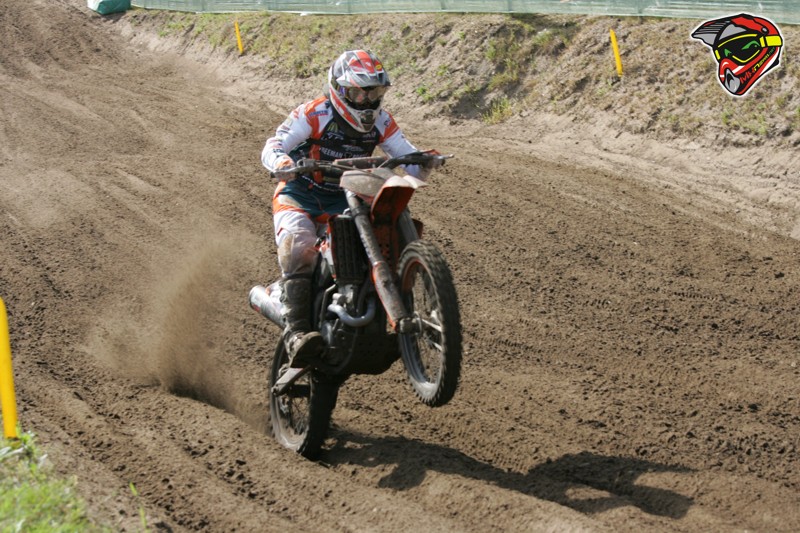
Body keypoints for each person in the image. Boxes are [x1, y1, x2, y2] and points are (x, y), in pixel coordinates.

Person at [261, 49, 430, 368]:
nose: (367, 102)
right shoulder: (314, 113)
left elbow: (406, 154)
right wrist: (282, 162)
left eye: (373, 93)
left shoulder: (382, 120)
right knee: (299, 246)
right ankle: (297, 334)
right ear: (339, 90)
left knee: (383, 231)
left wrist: (423, 162)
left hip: (346, 199)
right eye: (358, 93)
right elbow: (275, 143)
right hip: (300, 195)